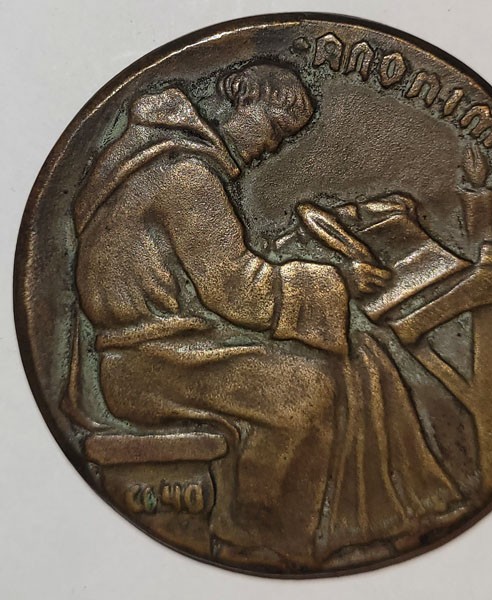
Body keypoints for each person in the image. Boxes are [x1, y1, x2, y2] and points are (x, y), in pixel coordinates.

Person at [70, 63, 462, 570]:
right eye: (275, 128)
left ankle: (381, 518)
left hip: (168, 349)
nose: (272, 146)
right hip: (153, 364)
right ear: (241, 100)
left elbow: (198, 274)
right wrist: (338, 281)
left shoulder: (150, 158)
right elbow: (234, 290)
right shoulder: (186, 175)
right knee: (307, 390)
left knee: (361, 353)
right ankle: (257, 539)